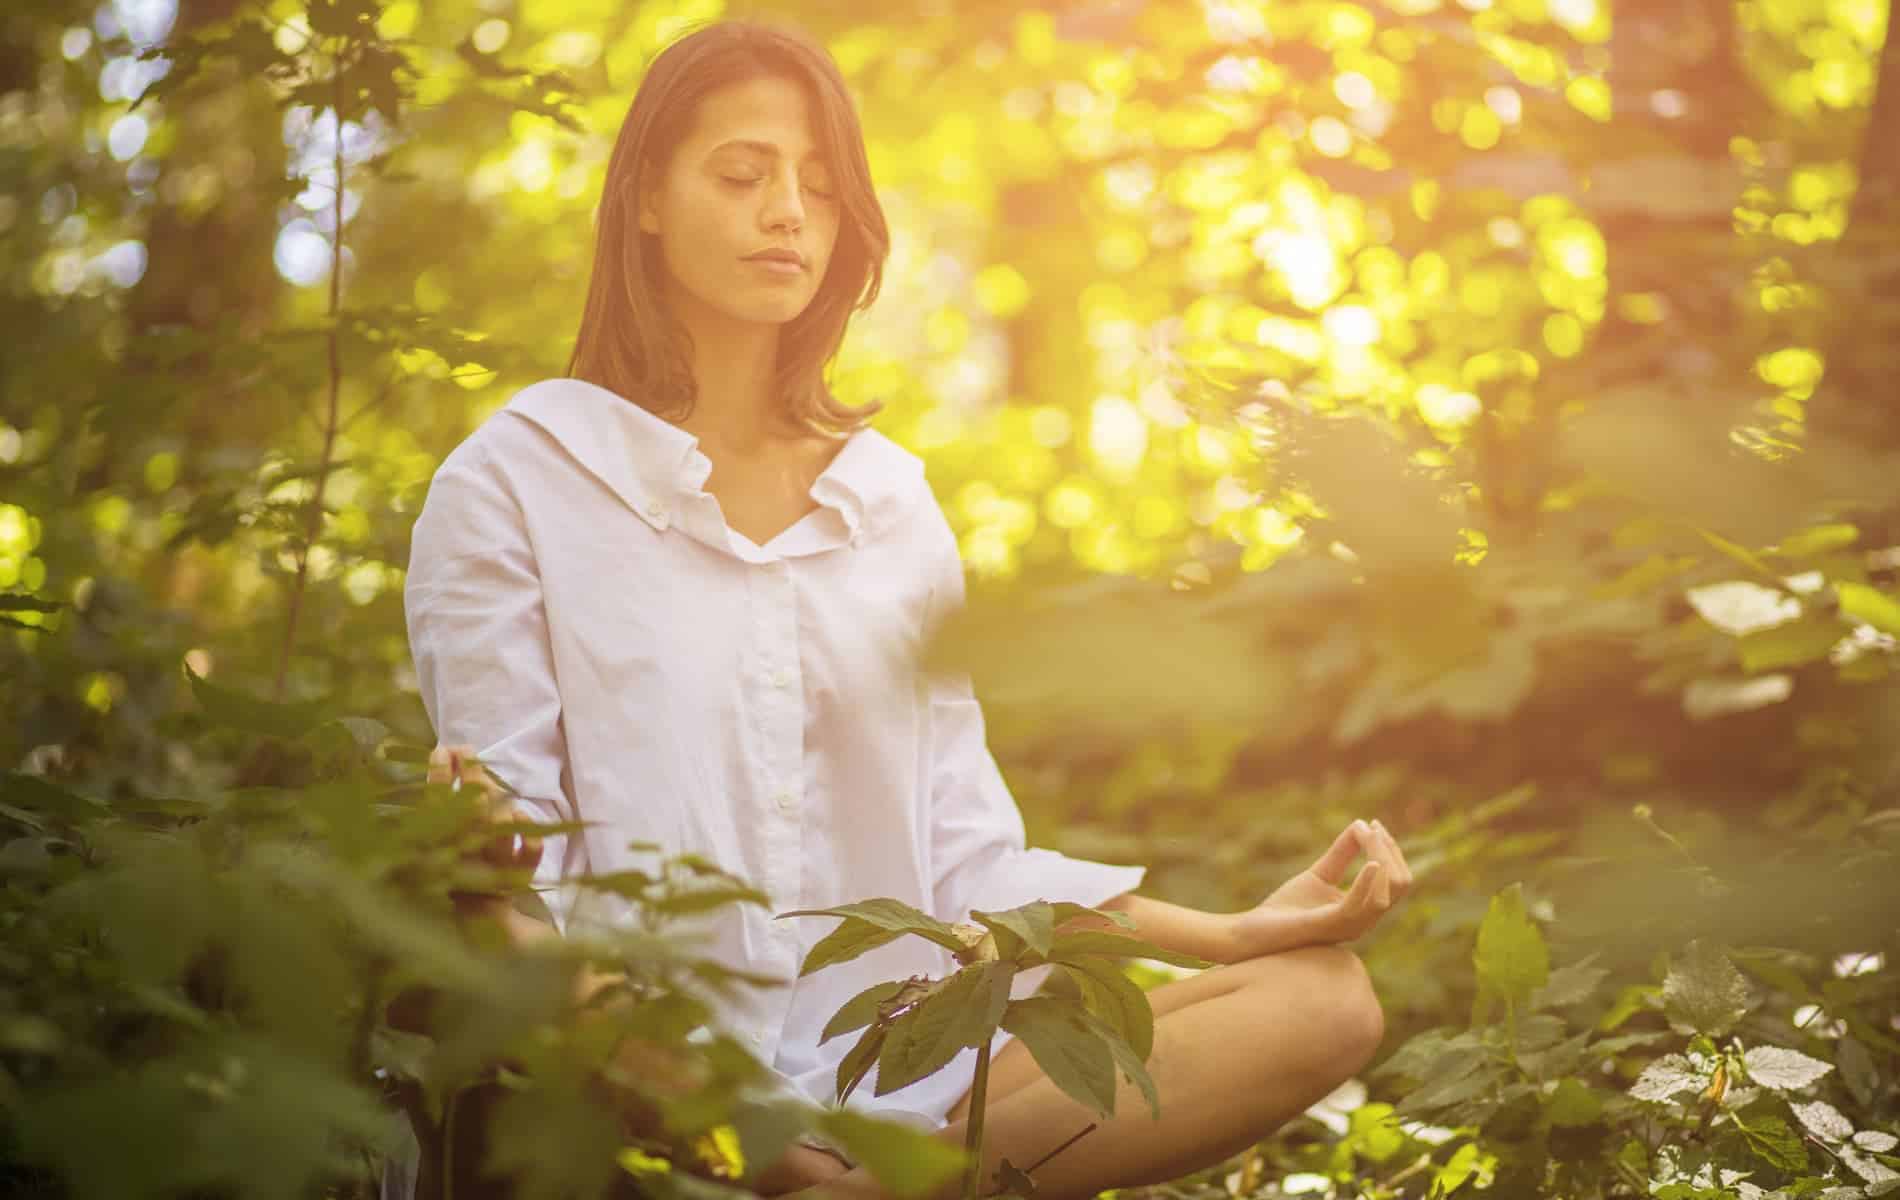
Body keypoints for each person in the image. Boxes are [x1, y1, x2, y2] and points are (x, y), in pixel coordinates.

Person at [402, 18, 1413, 1200]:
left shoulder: (886, 500)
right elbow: (508, 899)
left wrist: (1235, 931)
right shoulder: (514, 481)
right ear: (648, 201)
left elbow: (965, 861)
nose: (787, 211)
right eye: (743, 174)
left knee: (1319, 1000)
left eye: (820, 190)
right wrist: (746, 1141)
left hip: (910, 1083)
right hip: (646, 1089)